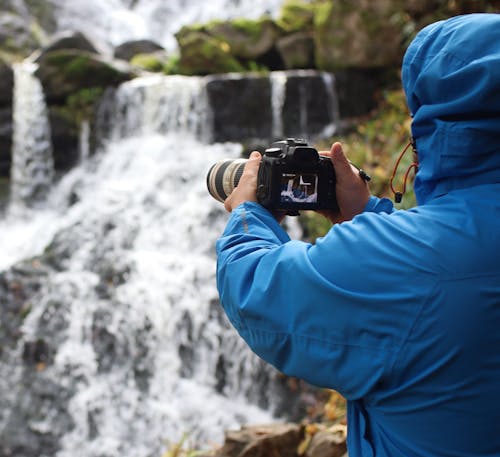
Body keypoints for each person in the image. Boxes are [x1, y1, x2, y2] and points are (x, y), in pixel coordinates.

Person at [216, 13, 500, 457]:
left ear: (430, 123)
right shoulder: (409, 255)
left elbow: (261, 291)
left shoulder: (401, 262)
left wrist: (247, 215)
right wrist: (369, 215)